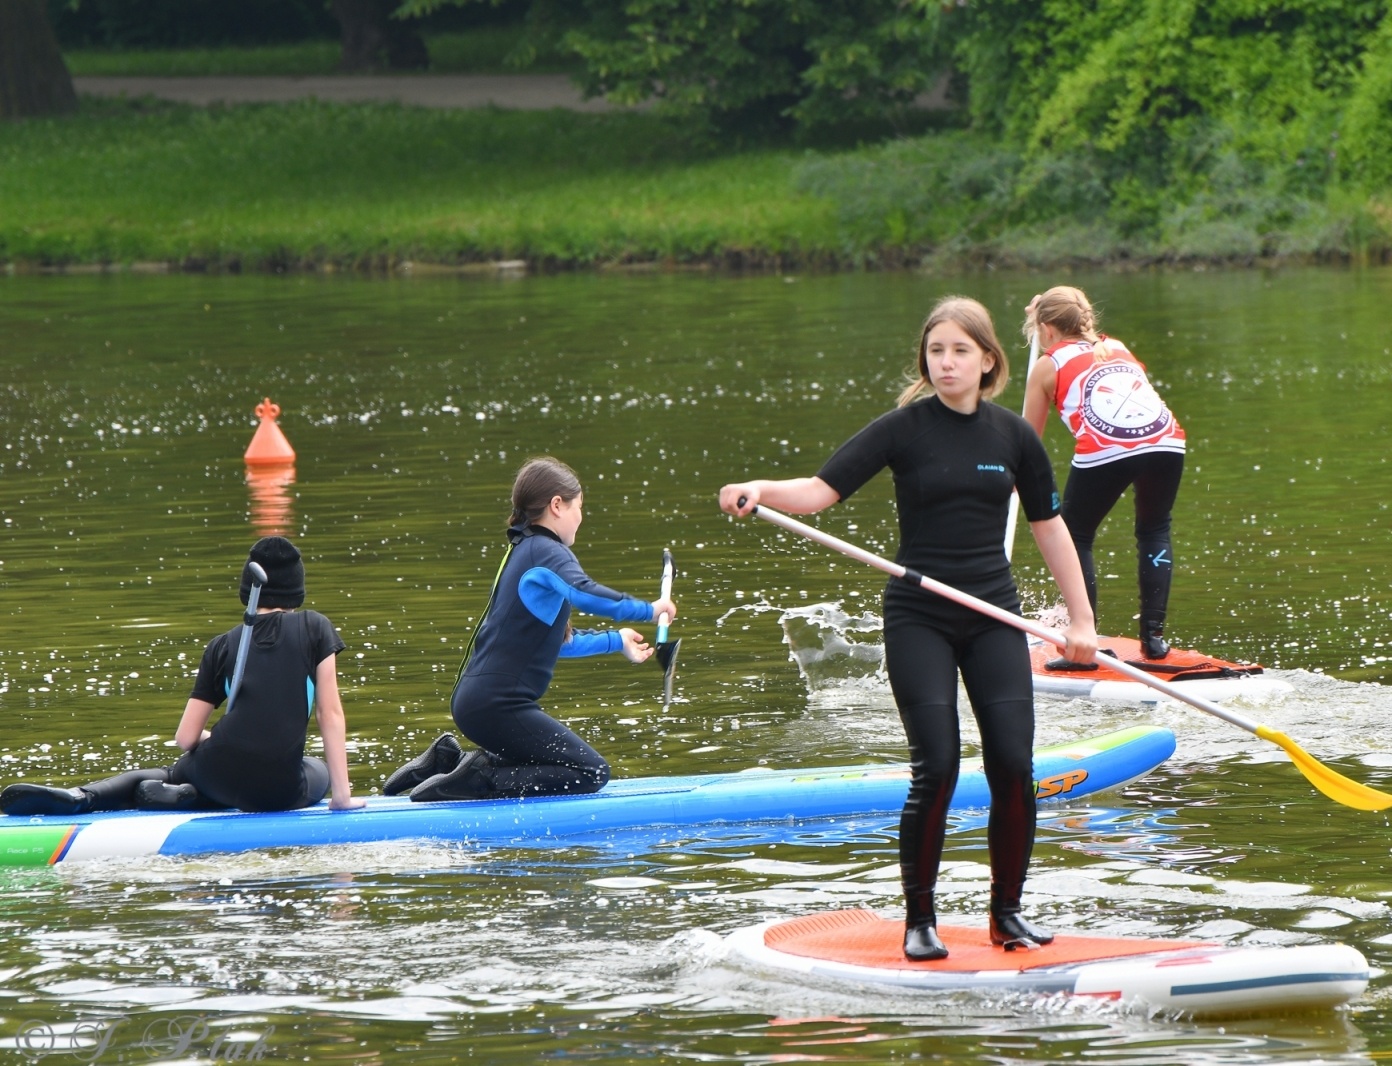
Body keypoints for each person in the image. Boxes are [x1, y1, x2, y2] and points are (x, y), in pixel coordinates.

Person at [719, 295, 1099, 962]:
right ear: (924, 360)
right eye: (936, 351)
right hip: (918, 615)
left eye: (959, 351)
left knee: (1013, 765)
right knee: (940, 767)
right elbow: (818, 491)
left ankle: (1007, 915)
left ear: (988, 360)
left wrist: (1083, 621)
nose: (946, 362)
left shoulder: (1015, 438)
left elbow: (1049, 528)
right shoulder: (903, 430)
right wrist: (760, 488)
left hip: (990, 616)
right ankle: (919, 921)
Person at [0, 536, 365, 816]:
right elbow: (328, 714)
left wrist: (222, 741)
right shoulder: (316, 628)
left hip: (216, 773)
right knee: (318, 768)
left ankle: (84, 797)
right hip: (278, 790)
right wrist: (342, 798)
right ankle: (190, 799)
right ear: (296, 590)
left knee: (171, 771)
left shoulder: (222, 645)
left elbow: (185, 737)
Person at [385, 456, 676, 803]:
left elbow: (557, 642)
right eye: (579, 507)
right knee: (590, 772)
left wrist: (617, 642)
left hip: (479, 705)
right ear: (557, 505)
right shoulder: (546, 551)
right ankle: (477, 776)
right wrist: (649, 610)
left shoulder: (526, 549)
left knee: (548, 762)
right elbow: (583, 591)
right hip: (496, 707)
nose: (581, 517)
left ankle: (450, 759)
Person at [1021, 285, 1186, 659]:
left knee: (1073, 534)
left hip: (1108, 449)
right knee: (1154, 529)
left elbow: (1027, 442)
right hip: (1168, 442)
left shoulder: (1047, 365)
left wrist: (1014, 481)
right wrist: (1046, 309)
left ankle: (1085, 638)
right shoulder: (1118, 347)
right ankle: (1154, 639)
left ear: (1046, 329)